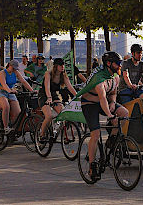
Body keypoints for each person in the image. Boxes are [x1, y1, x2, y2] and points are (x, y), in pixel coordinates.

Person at [80, 51, 129, 181]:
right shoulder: (99, 78)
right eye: (117, 63)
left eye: (120, 63)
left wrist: (113, 102)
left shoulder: (115, 76)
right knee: (95, 135)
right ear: (108, 64)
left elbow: (112, 92)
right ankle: (92, 165)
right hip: (90, 103)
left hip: (105, 102)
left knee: (124, 113)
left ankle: (112, 140)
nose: (120, 66)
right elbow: (102, 98)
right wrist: (109, 114)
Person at [38, 58, 78, 141]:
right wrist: (49, 98)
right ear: (56, 66)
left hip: (54, 95)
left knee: (63, 114)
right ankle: (41, 135)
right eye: (60, 65)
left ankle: (60, 134)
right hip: (44, 95)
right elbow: (47, 87)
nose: (63, 67)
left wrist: (78, 96)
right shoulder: (48, 74)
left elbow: (70, 87)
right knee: (49, 116)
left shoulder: (63, 75)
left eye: (63, 65)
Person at [0, 59, 35, 133]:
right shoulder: (3, 72)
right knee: (6, 106)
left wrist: (32, 90)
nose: (14, 70)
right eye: (13, 68)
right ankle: (6, 127)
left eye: (15, 68)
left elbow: (23, 81)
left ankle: (14, 128)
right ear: (9, 65)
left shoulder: (16, 72)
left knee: (18, 112)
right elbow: (4, 84)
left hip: (11, 92)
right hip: (1, 92)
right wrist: (10, 90)